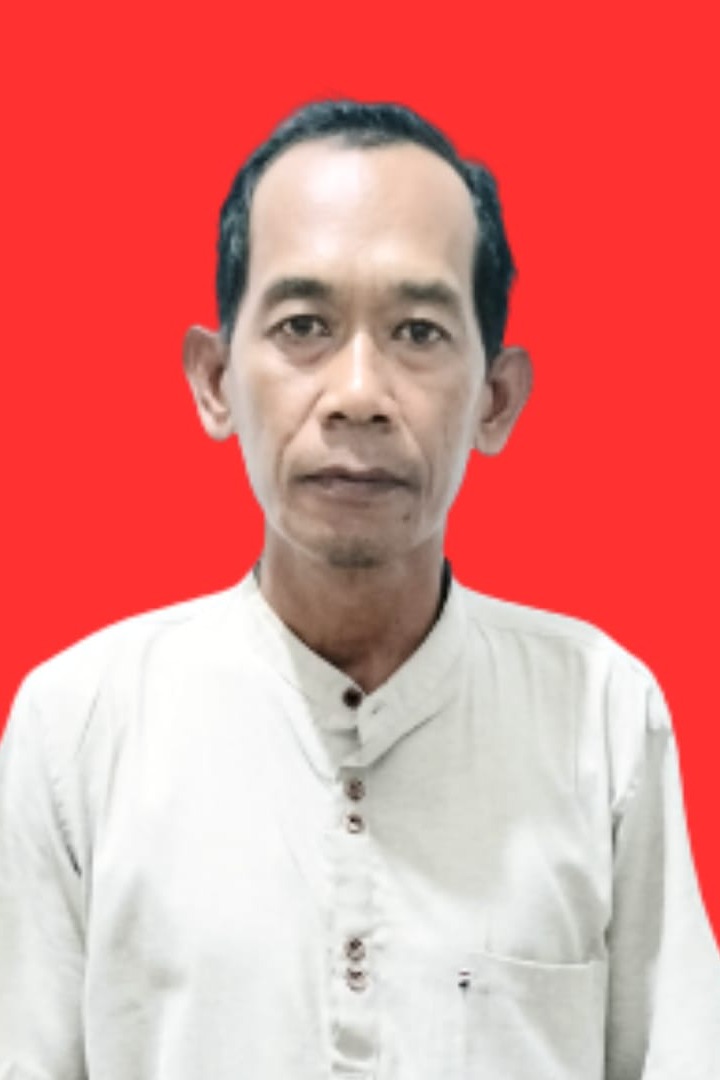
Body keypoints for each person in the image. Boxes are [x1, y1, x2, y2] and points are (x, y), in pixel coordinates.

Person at [1, 100, 718, 1080]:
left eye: (418, 331)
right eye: (304, 326)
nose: (357, 394)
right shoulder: (79, 728)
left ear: (497, 398)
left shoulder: (601, 715)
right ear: (214, 379)